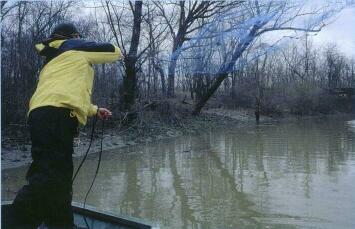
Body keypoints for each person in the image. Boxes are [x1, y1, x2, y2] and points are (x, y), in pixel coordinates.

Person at [5, 23, 122, 229]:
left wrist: (94, 110)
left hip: (42, 114)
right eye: (79, 36)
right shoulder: (74, 46)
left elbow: (67, 94)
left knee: (59, 177)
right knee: (49, 177)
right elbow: (113, 52)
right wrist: (82, 42)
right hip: (56, 117)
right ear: (74, 36)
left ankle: (62, 225)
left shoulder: (53, 59)